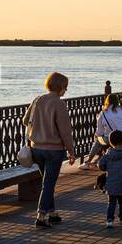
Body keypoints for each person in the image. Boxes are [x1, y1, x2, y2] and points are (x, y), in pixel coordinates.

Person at [22, 72, 78, 229]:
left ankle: (52, 213)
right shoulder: (59, 104)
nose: (66, 90)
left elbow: (25, 121)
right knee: (49, 184)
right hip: (53, 150)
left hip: (36, 149)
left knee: (47, 183)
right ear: (61, 87)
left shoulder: (38, 99)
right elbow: (65, 131)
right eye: (65, 88)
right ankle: (41, 216)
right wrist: (71, 151)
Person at [97, 129, 122, 227]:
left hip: (111, 183)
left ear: (110, 142)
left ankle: (109, 220)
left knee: (111, 203)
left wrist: (107, 168)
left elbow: (101, 165)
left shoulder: (108, 154)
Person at [92, 91, 122, 164]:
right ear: (117, 101)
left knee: (97, 138)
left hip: (110, 139)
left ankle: (92, 159)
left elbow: (100, 131)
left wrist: (97, 135)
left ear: (107, 101)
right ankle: (98, 156)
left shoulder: (103, 113)